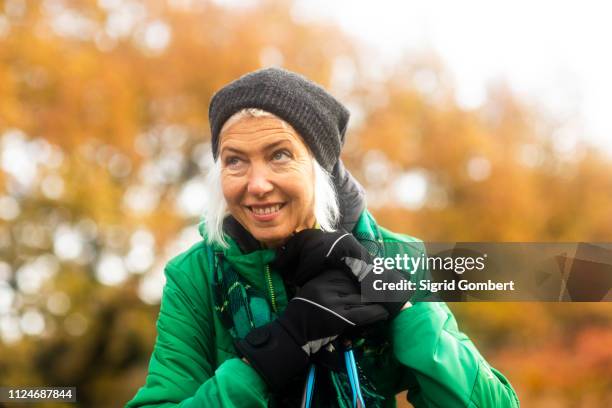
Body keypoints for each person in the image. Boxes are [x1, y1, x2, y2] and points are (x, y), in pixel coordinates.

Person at [126, 68, 520, 407]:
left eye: (279, 154)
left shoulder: (395, 255)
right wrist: (270, 355)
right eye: (235, 160)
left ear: (321, 167)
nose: (257, 184)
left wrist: (404, 308)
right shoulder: (195, 275)